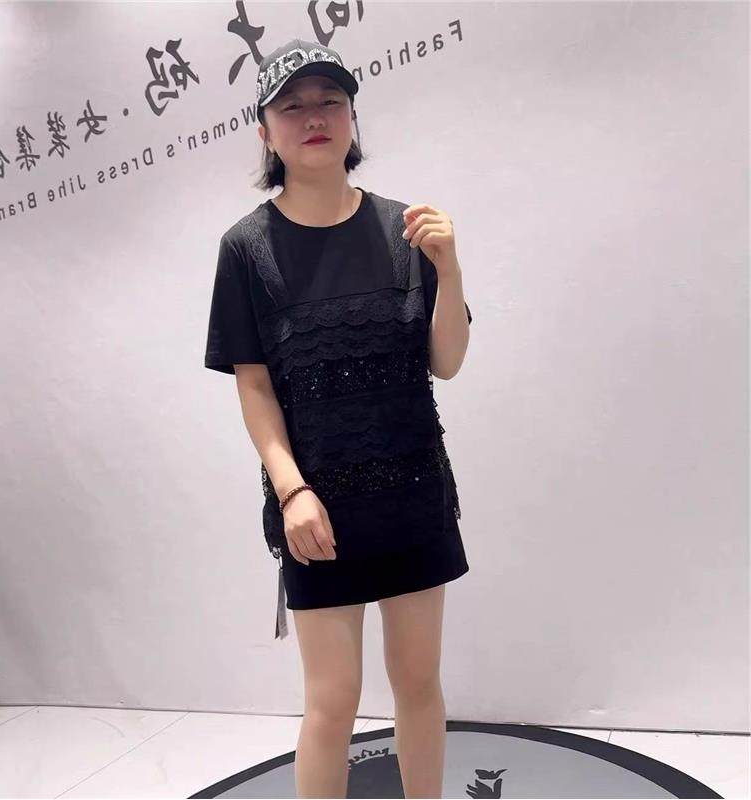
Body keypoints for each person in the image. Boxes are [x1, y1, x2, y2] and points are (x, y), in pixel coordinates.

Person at [204, 37, 474, 799]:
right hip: (316, 510)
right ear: (265, 131)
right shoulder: (247, 249)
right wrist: (291, 490)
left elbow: (446, 361)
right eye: (292, 107)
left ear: (353, 117)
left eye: (330, 101)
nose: (313, 117)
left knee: (418, 682)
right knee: (332, 703)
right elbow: (254, 386)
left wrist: (450, 267)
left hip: (414, 493)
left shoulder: (405, 229)